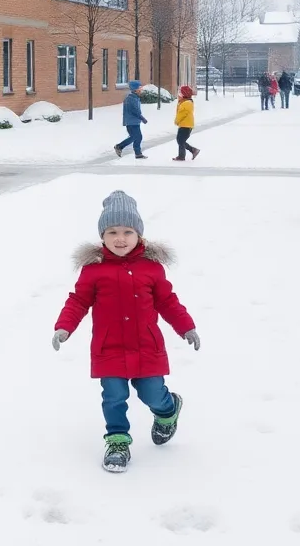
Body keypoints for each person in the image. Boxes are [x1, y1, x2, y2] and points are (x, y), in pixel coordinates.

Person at [52, 191, 200, 473]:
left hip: (146, 345)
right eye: (112, 232)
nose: (120, 238)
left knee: (151, 394)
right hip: (109, 347)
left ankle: (168, 410)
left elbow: (167, 301)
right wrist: (64, 326)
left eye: (127, 231)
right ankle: (118, 441)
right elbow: (79, 300)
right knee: (113, 396)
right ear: (102, 236)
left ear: (139, 234)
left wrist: (186, 326)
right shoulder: (94, 270)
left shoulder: (152, 268)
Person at [113, 81, 148, 160]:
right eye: (139, 88)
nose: (141, 90)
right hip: (131, 122)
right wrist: (142, 118)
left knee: (136, 137)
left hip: (134, 121)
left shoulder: (135, 98)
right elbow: (135, 111)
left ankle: (137, 153)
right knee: (136, 137)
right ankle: (120, 146)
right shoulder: (131, 99)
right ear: (135, 89)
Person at [172, 85, 200, 161]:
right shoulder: (186, 102)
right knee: (180, 140)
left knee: (180, 140)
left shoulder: (185, 103)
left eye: (180, 94)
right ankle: (191, 151)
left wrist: (176, 121)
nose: (178, 95)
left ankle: (188, 153)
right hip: (186, 124)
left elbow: (181, 114)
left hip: (185, 125)